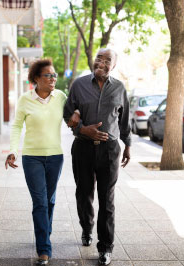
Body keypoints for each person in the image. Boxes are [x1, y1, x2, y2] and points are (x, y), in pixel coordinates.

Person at [5, 59, 78, 266]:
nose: (53, 78)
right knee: (40, 202)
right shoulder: (25, 99)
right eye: (48, 75)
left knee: (50, 200)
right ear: (36, 78)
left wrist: (77, 114)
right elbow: (17, 126)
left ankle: (44, 232)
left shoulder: (61, 97)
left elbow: (74, 113)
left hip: (55, 156)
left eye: (54, 75)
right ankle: (44, 249)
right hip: (32, 158)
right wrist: (13, 150)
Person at [63, 48, 131, 265]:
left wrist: (127, 145)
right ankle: (86, 227)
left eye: (107, 59)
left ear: (114, 65)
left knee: (107, 198)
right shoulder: (79, 85)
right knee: (84, 194)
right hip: (82, 148)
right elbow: (67, 113)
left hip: (109, 150)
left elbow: (124, 120)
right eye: (99, 58)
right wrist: (83, 129)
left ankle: (106, 247)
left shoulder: (119, 88)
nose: (101, 62)